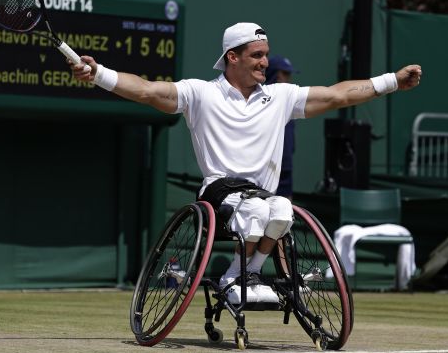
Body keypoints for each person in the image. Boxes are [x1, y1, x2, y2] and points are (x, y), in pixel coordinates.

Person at [70, 22, 422, 304]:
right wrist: (99, 73)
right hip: (218, 193)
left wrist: (392, 81)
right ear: (232, 57)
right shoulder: (199, 92)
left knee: (283, 209)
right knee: (256, 210)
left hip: (262, 197)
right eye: (256, 55)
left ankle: (244, 272)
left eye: (266, 55)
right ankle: (239, 275)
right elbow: (146, 90)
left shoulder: (281, 97)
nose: (265, 62)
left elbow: (337, 94)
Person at [265, 55, 298, 200]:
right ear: (276, 74)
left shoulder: (289, 101)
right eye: (285, 73)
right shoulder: (261, 100)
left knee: (284, 218)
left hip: (285, 173)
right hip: (264, 174)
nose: (288, 78)